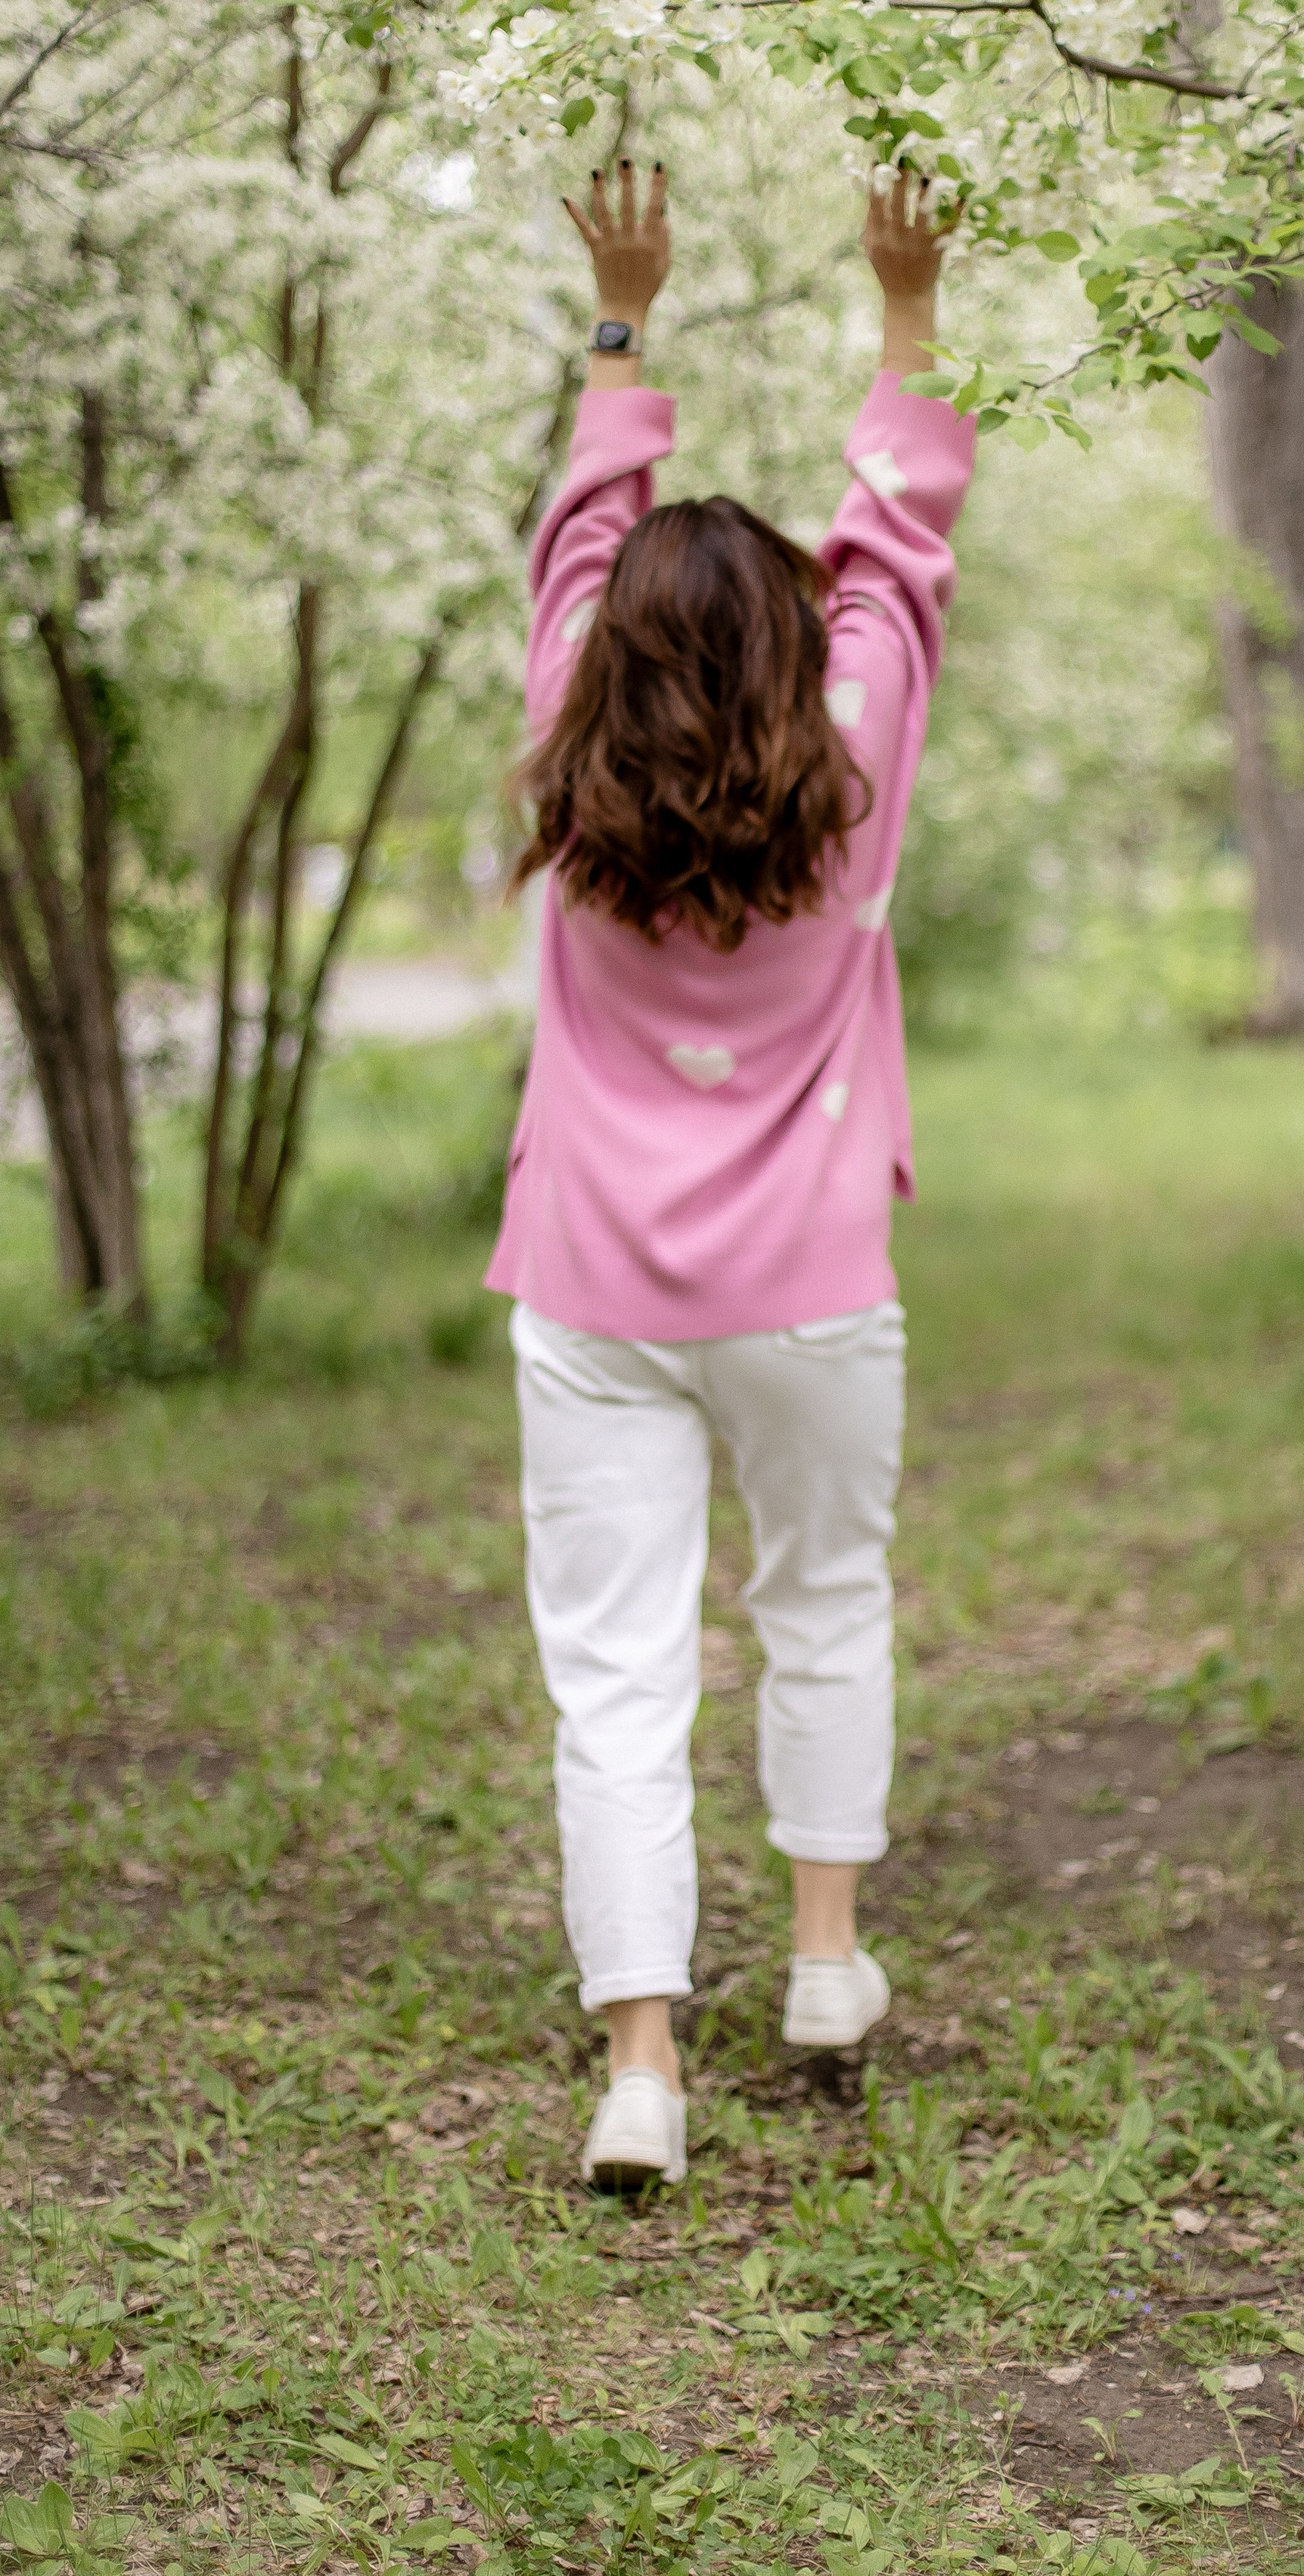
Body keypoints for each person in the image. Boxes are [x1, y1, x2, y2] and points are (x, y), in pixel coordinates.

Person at [487, 154, 975, 2189]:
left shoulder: (566, 773)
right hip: (806, 1286)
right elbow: (896, 555)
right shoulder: (845, 782)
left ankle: (641, 2073)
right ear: (793, 656)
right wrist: (902, 309)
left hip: (597, 1295)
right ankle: (829, 1962)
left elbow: (578, 553)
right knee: (826, 1601)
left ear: (596, 661)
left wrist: (623, 319)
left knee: (616, 1673)